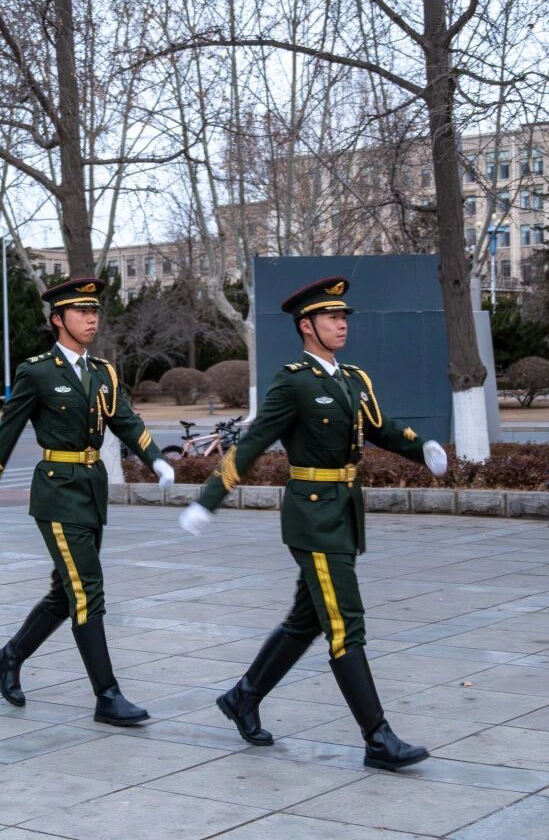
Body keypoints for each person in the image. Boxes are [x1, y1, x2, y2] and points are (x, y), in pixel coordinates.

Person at [179, 276, 448, 771]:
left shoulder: (353, 379)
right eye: (332, 317)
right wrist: (209, 498)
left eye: (344, 317)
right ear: (307, 326)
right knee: (345, 623)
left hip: (344, 510)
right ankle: (378, 738)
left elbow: (380, 428)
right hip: (313, 515)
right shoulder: (294, 381)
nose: (342, 324)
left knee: (307, 619)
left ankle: (243, 697)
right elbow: (254, 442)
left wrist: (420, 447)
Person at [0, 277, 175, 725]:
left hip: (91, 488)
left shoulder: (102, 372)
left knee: (65, 591)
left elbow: (126, 420)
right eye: (82, 311)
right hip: (57, 492)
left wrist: (156, 458)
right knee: (87, 590)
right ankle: (107, 696)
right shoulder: (37, 372)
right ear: (58, 319)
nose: (91, 319)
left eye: (94, 311)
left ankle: (8, 657)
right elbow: (6, 433)